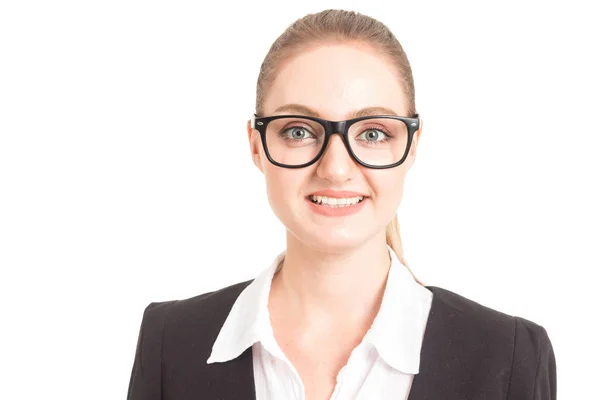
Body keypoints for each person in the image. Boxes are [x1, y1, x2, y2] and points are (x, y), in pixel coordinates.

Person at [127, 9, 556, 400]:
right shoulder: (171, 344)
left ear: (411, 147)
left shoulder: (510, 355)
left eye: (372, 133)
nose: (335, 169)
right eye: (298, 131)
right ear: (257, 146)